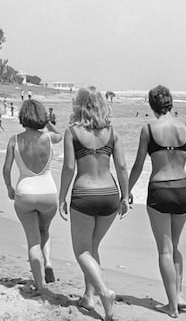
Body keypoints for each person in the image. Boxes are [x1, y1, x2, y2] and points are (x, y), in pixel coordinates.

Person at [128, 85, 186, 318]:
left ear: (152, 105)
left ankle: (172, 306)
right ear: (170, 103)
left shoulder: (148, 130)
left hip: (160, 190)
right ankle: (179, 295)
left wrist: (127, 191)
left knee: (164, 251)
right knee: (175, 246)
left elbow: (138, 165)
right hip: (183, 191)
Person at [59, 86, 129, 321]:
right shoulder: (111, 132)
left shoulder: (72, 132)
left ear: (79, 105)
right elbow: (121, 167)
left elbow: (69, 167)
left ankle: (103, 292)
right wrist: (125, 195)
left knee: (81, 251)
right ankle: (90, 298)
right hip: (110, 193)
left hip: (85, 195)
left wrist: (61, 197)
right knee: (93, 247)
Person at [2, 99, 62, 293]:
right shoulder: (48, 138)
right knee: (44, 231)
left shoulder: (14, 139)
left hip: (25, 192)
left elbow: (6, 169)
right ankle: (49, 263)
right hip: (48, 192)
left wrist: (9, 187)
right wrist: (46, 122)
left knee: (32, 240)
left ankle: (39, 284)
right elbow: (60, 135)